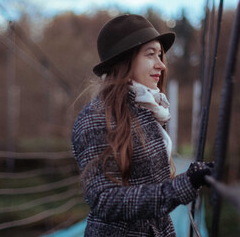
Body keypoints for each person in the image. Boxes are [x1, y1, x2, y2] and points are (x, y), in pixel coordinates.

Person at [71, 14, 214, 236]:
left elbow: (151, 183)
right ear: (125, 60)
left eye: (160, 55)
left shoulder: (150, 110)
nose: (161, 65)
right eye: (150, 55)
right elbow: (105, 200)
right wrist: (182, 186)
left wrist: (197, 176)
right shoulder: (95, 118)